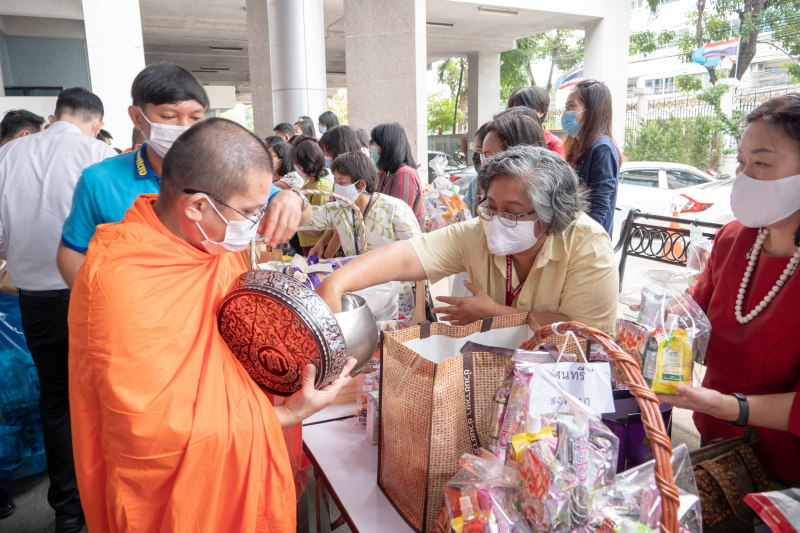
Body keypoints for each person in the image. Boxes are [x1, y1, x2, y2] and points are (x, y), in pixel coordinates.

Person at [68, 117, 348, 533]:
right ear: (198, 205)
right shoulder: (121, 280)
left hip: (236, 447)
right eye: (252, 212)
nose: (255, 224)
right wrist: (285, 417)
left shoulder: (206, 242)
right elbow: (149, 434)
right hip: (179, 498)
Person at [317, 146, 618, 333]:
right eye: (490, 207)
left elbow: (585, 334)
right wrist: (336, 283)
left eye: (511, 213)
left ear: (552, 215)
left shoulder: (588, 245)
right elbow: (406, 256)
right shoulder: (477, 231)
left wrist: (495, 314)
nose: (496, 220)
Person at [658, 94, 800, 485]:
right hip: (718, 447)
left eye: (762, 163)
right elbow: (694, 315)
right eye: (740, 162)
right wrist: (663, 315)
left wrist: (725, 405)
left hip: (785, 474)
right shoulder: (734, 240)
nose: (744, 176)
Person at [0, 87, 117, 533]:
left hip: (34, 299)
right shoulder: (98, 155)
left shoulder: (9, 155)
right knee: (104, 399)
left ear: (54, 116)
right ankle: (106, 500)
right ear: (95, 122)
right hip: (90, 295)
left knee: (57, 403)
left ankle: (67, 511)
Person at [301, 151, 421, 257]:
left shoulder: (395, 209)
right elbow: (305, 217)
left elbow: (419, 252)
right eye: (336, 182)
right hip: (356, 281)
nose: (336, 188)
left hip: (393, 281)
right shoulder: (339, 209)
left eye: (342, 182)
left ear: (362, 185)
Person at [562, 80, 621, 236]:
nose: (566, 112)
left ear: (591, 111)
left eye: (572, 106)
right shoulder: (577, 147)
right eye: (566, 107)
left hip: (587, 241)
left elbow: (599, 208)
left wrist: (581, 240)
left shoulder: (602, 149)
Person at [370, 122, 424, 227]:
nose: (372, 149)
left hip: (402, 241)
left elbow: (398, 218)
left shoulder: (404, 174)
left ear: (388, 146)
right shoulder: (386, 173)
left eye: (376, 145)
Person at [292, 137, 334, 256]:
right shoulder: (306, 184)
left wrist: (292, 220)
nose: (295, 165)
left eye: (296, 162)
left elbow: (316, 229)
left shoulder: (321, 186)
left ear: (307, 161)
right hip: (307, 244)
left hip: (318, 246)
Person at [508, 86, 566, 159]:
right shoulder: (507, 138)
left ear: (542, 111)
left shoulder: (554, 144)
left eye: (526, 109)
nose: (520, 113)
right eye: (516, 109)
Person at [464, 123, 488, 214]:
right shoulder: (475, 182)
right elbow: (465, 210)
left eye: (480, 150)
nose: (477, 156)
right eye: (476, 150)